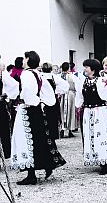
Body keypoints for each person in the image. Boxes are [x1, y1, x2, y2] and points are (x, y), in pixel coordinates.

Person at [11, 51, 66, 185]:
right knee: (40, 138)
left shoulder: (27, 74)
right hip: (37, 110)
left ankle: (31, 175)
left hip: (29, 109)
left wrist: (28, 102)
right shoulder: (38, 73)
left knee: (27, 140)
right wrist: (41, 102)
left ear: (29, 59)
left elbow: (28, 92)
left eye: (25, 58)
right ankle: (47, 165)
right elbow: (48, 94)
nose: (23, 61)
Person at [75, 59, 107, 175]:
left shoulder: (101, 81)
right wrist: (79, 106)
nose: (84, 69)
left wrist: (106, 101)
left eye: (86, 67)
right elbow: (80, 96)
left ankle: (104, 163)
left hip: (100, 112)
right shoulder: (83, 82)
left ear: (93, 69)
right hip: (88, 112)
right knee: (89, 134)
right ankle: (93, 158)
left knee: (101, 134)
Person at [41, 63, 69, 140]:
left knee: (43, 120)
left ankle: (44, 137)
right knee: (53, 120)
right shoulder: (53, 77)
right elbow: (66, 86)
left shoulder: (40, 76)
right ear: (51, 69)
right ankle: (52, 136)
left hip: (42, 101)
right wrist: (57, 91)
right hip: (53, 100)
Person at [0, 63, 19, 160]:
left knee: (3, 130)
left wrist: (7, 95)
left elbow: (15, 85)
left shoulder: (3, 75)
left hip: (1, 106)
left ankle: (5, 153)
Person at [59, 62, 80, 138]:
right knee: (70, 112)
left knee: (62, 112)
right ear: (69, 68)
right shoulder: (73, 76)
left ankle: (62, 129)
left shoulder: (59, 76)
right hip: (70, 95)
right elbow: (77, 86)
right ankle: (70, 129)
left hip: (62, 95)